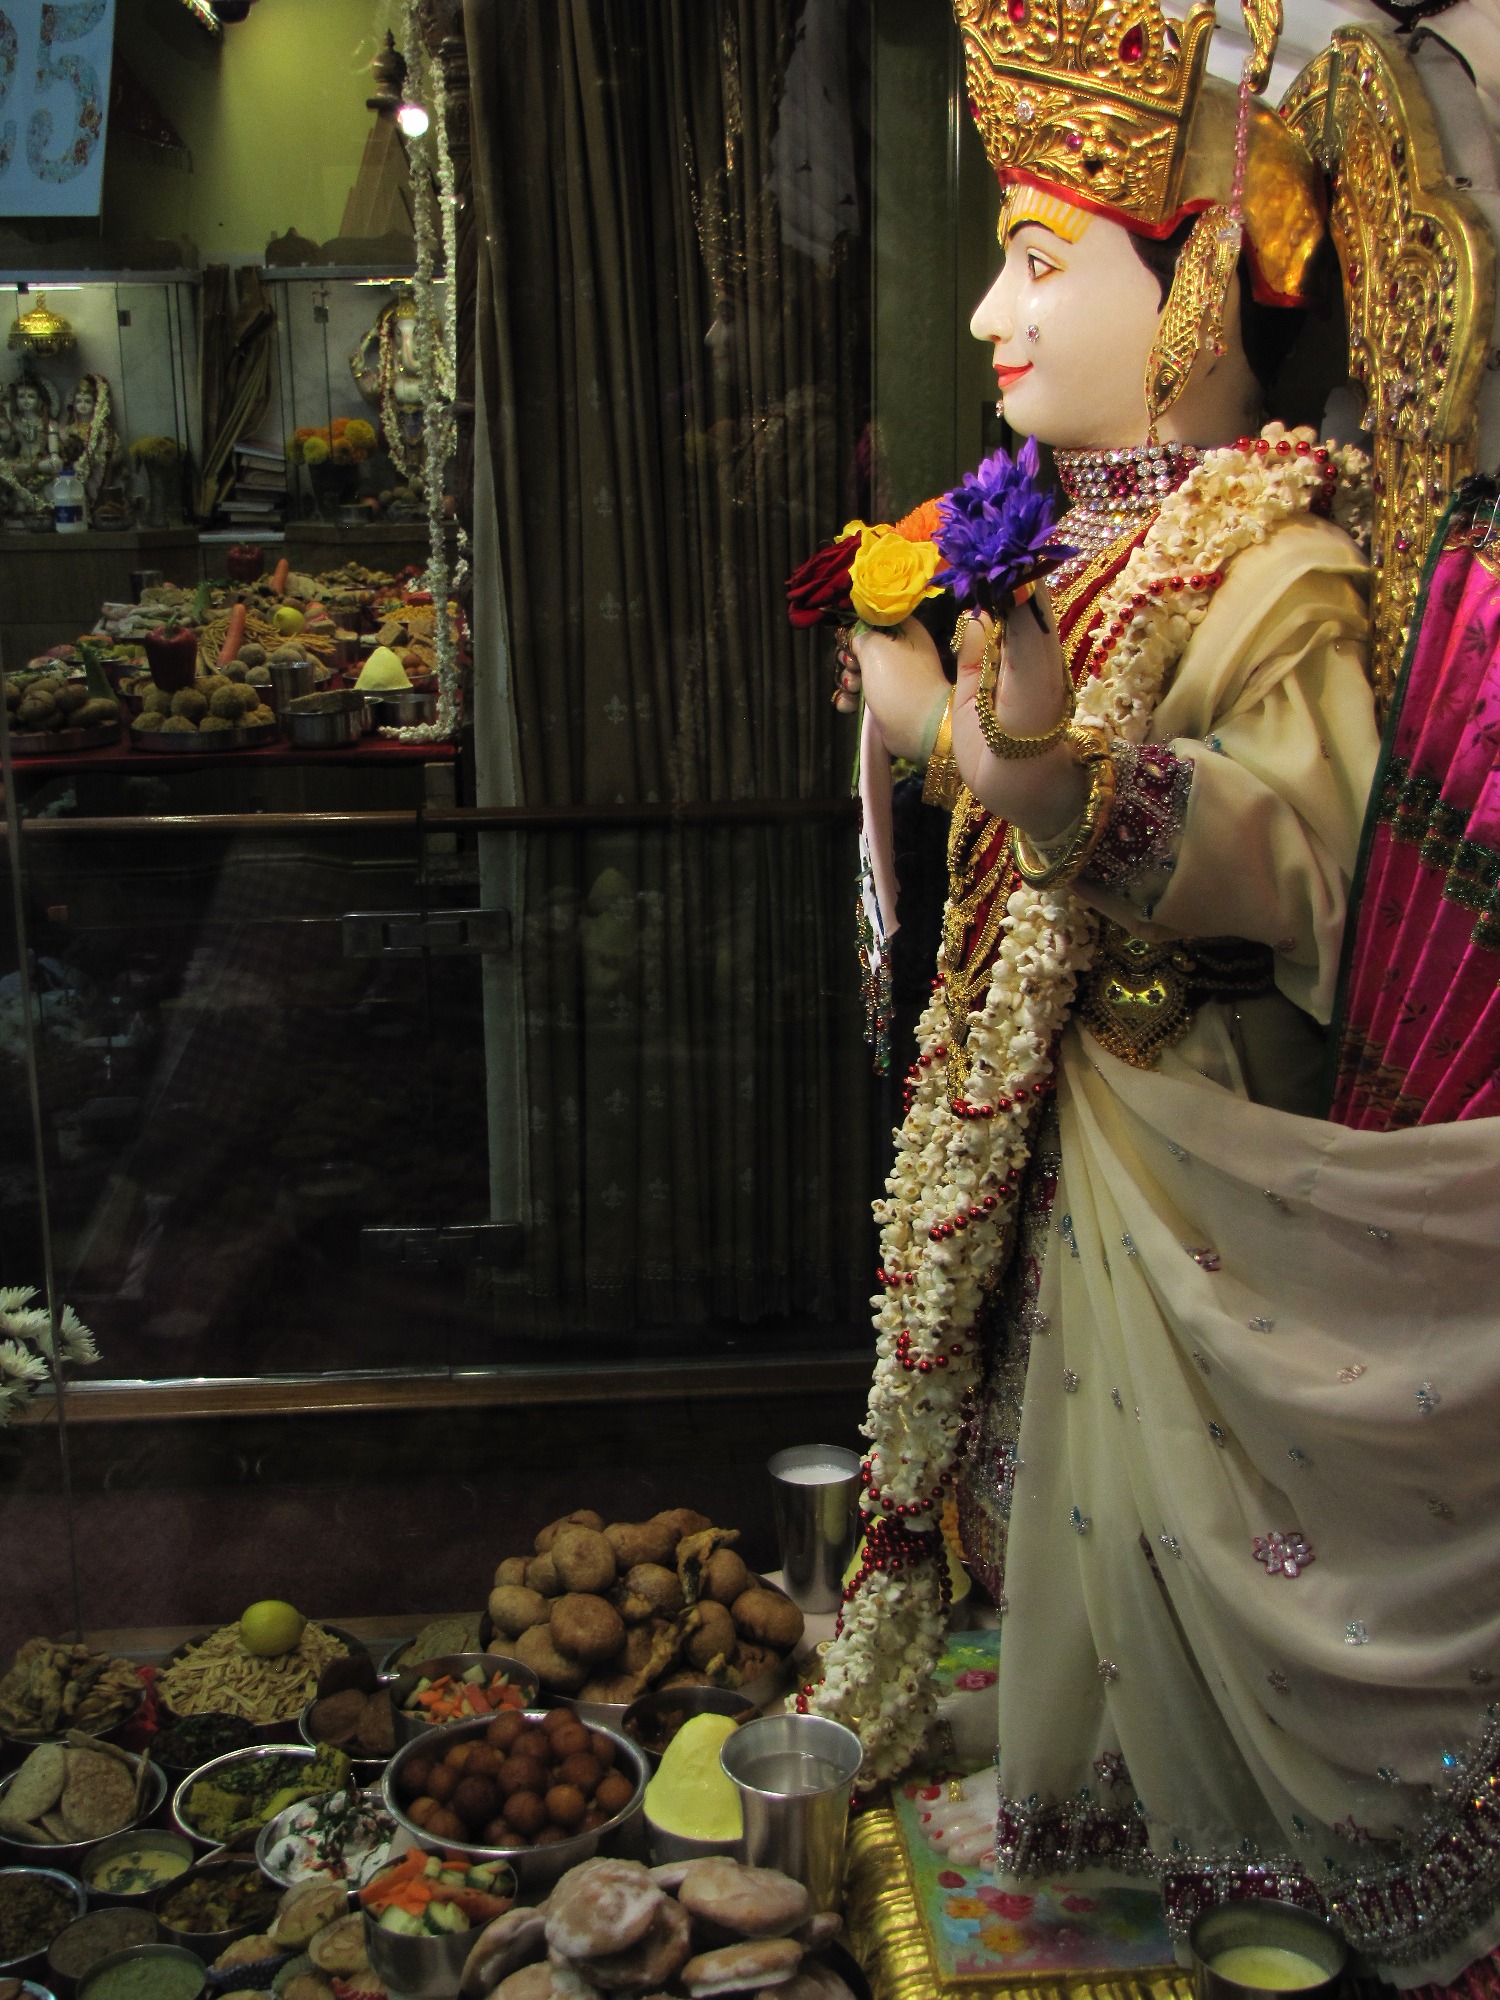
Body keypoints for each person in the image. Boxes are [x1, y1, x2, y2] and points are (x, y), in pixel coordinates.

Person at [808, 0, 1500, 1984]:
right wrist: (929, 728)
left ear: (1194, 286)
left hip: (1188, 1136)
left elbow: (1300, 855)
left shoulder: (1269, 561)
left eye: (1038, 263)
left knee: (1191, 1521)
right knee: (1061, 1502)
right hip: (1046, 1129)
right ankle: (1109, 1817)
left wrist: (1035, 780)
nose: (987, 319)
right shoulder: (1055, 534)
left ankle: (1255, 1863)